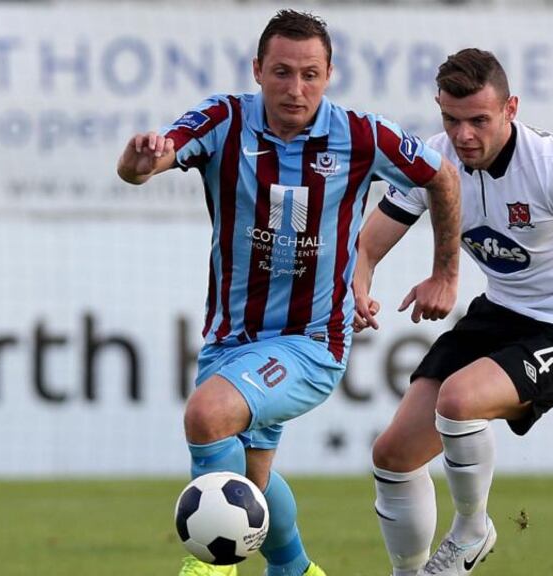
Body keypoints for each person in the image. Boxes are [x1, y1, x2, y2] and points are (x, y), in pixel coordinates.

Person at [116, 11, 461, 576]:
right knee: (252, 477)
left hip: (312, 342)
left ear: (329, 74)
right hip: (230, 340)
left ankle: (212, 568)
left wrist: (445, 272)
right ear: (257, 70)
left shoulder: (361, 134)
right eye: (280, 72)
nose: (294, 88)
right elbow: (155, 156)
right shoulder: (225, 119)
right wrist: (138, 163)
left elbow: (440, 177)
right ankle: (297, 569)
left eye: (309, 74)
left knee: (207, 416)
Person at [353, 48, 553, 576]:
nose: (464, 135)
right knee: (393, 455)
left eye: (479, 120)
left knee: (458, 400)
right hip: (502, 311)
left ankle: (473, 529)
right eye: (452, 120)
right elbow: (367, 245)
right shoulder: (435, 159)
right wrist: (359, 289)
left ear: (511, 108)